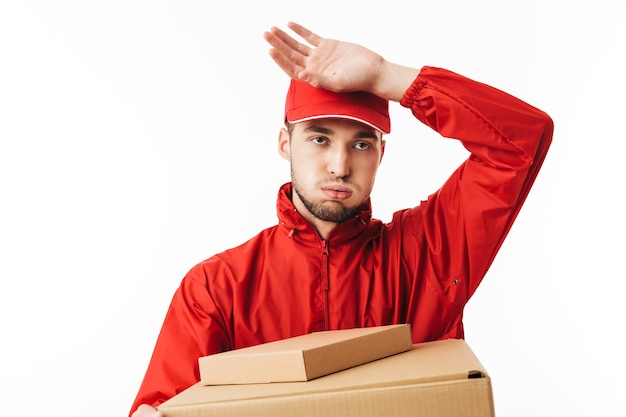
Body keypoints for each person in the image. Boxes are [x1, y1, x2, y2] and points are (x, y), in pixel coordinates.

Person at [129, 22, 553, 417]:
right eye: (319, 138)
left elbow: (521, 141)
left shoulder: (428, 254)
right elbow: (166, 405)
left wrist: (388, 77)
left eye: (362, 144)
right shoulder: (216, 289)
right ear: (285, 144)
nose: (339, 165)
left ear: (381, 155)